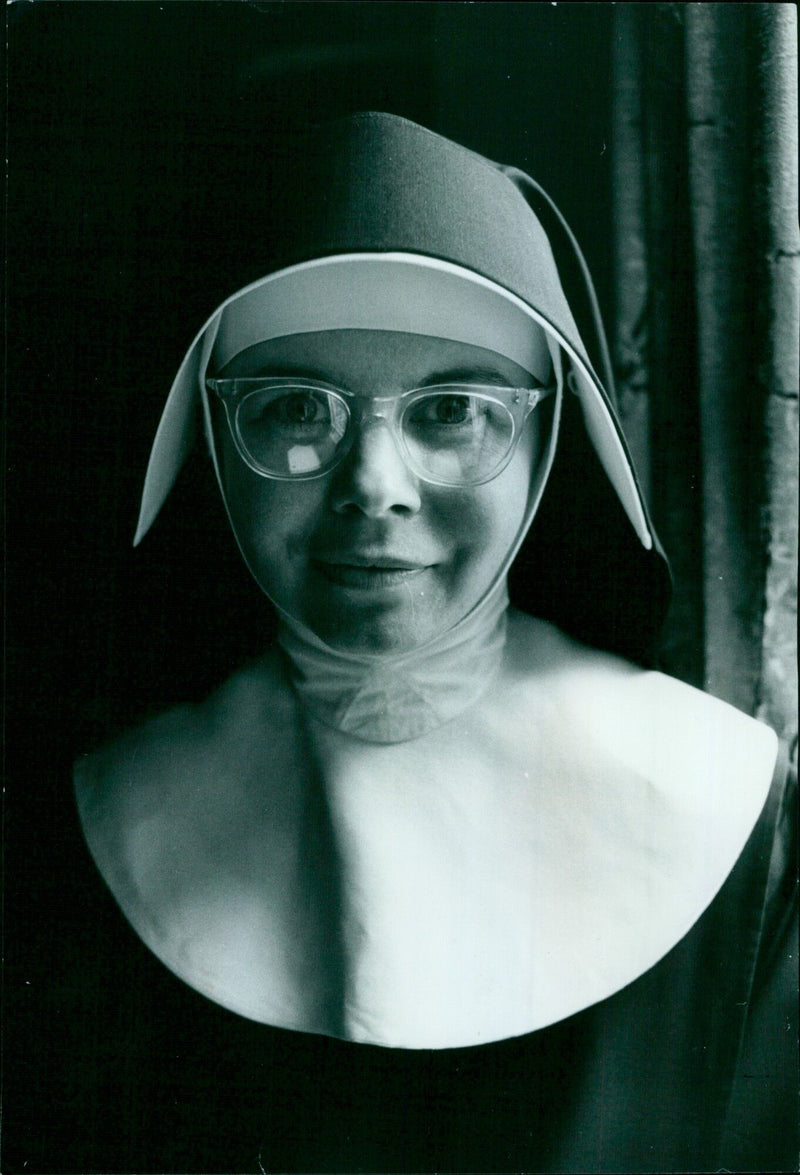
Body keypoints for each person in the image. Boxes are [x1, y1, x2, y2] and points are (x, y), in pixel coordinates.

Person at [53, 112, 795, 1171]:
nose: (372, 487)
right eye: (292, 406)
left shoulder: (745, 831)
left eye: (451, 410)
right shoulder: (84, 838)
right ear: (211, 442)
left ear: (548, 442)